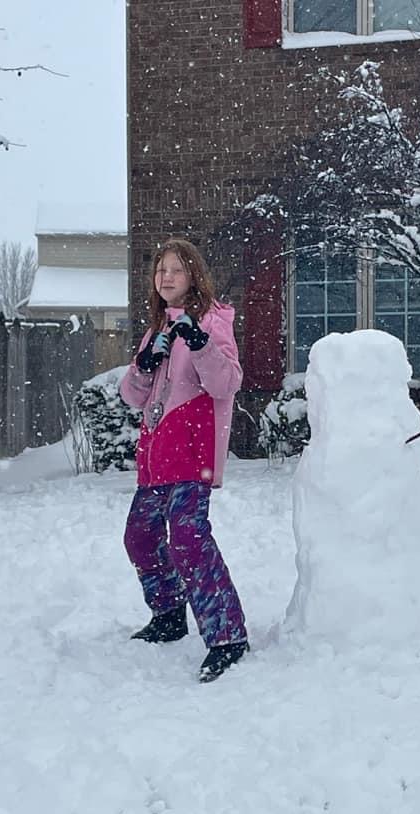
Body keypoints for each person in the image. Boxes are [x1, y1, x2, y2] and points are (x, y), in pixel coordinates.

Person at [119, 238, 249, 683]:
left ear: (193, 275)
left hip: (192, 454)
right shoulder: (156, 329)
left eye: (176, 269)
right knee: (140, 537)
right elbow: (132, 397)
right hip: (156, 454)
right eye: (161, 270)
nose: (166, 277)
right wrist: (144, 363)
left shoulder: (213, 321)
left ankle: (227, 635)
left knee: (188, 540)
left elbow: (226, 383)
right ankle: (170, 614)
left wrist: (199, 342)